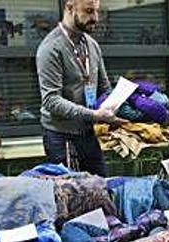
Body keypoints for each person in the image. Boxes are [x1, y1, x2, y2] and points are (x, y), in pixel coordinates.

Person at [36, 0, 124, 176]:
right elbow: (51, 100)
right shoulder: (51, 48)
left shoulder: (92, 45)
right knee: (71, 194)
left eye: (97, 12)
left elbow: (104, 87)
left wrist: (118, 105)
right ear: (70, 7)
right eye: (89, 11)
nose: (95, 18)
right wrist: (94, 115)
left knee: (100, 188)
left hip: (88, 133)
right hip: (61, 136)